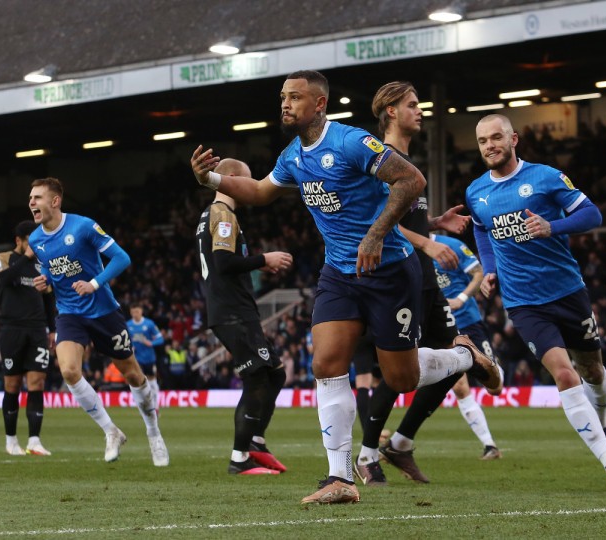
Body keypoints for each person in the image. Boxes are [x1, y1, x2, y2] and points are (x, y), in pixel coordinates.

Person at [191, 70, 501, 505]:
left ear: (319, 104)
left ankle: (465, 355)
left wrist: (375, 234)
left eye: (295, 97)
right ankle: (339, 478)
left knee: (403, 377)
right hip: (339, 272)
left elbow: (411, 180)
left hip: (390, 272)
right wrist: (212, 181)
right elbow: (260, 192)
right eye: (283, 97)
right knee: (327, 363)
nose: (285, 104)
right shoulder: (292, 156)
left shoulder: (351, 143)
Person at [465, 114, 606, 491]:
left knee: (592, 370)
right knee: (564, 372)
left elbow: (592, 213)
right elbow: (480, 227)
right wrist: (490, 269)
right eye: (482, 141)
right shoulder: (476, 191)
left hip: (568, 292)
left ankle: (603, 424)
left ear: (514, 139)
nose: (489, 146)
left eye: (496, 138)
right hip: (524, 302)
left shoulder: (546, 177)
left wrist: (551, 226)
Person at [355, 80, 502, 488]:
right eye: (412, 105)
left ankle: (400, 443)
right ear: (390, 111)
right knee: (399, 371)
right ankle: (367, 456)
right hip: (396, 280)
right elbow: (376, 226)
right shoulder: (378, 161)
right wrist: (429, 244)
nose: (420, 111)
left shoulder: (406, 158)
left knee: (455, 363)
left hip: (423, 278)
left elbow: (405, 218)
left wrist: (433, 224)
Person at [28, 177, 169, 467]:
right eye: (30, 198)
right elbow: (52, 274)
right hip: (69, 313)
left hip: (103, 311)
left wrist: (94, 283)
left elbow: (121, 258)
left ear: (55, 201)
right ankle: (111, 431)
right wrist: (46, 283)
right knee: (68, 370)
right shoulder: (35, 240)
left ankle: (153, 432)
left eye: (38, 197)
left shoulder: (83, 226)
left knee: (132, 375)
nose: (32, 202)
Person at [196, 157, 292, 476]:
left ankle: (256, 442)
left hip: (236, 309)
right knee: (256, 379)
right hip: (231, 310)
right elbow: (223, 262)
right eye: (249, 182)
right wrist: (265, 258)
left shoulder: (215, 215)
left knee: (275, 373)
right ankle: (240, 458)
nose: (253, 189)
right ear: (233, 178)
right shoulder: (223, 214)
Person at [431, 233, 501, 460]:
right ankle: (490, 445)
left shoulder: (451, 245)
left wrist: (461, 298)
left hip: (468, 320)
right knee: (459, 387)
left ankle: (495, 369)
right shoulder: (411, 251)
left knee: (495, 386)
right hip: (442, 327)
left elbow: (478, 272)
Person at [0, 220, 56, 456]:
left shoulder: (42, 263)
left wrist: (53, 329)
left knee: (37, 383)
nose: (36, 244)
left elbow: (50, 299)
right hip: (12, 329)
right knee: (13, 385)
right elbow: (4, 280)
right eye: (31, 239)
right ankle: (11, 441)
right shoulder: (4, 258)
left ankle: (35, 441)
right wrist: (27, 258)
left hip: (38, 329)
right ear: (19, 241)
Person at [126, 303, 165, 407]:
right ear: (130, 312)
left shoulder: (149, 324)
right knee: (137, 381)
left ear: (141, 311)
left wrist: (151, 343)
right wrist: (130, 347)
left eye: (137, 311)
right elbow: (126, 341)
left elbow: (160, 338)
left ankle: (155, 406)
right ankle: (142, 405)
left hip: (149, 358)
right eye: (133, 312)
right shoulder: (128, 325)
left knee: (152, 380)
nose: (135, 314)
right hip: (136, 359)